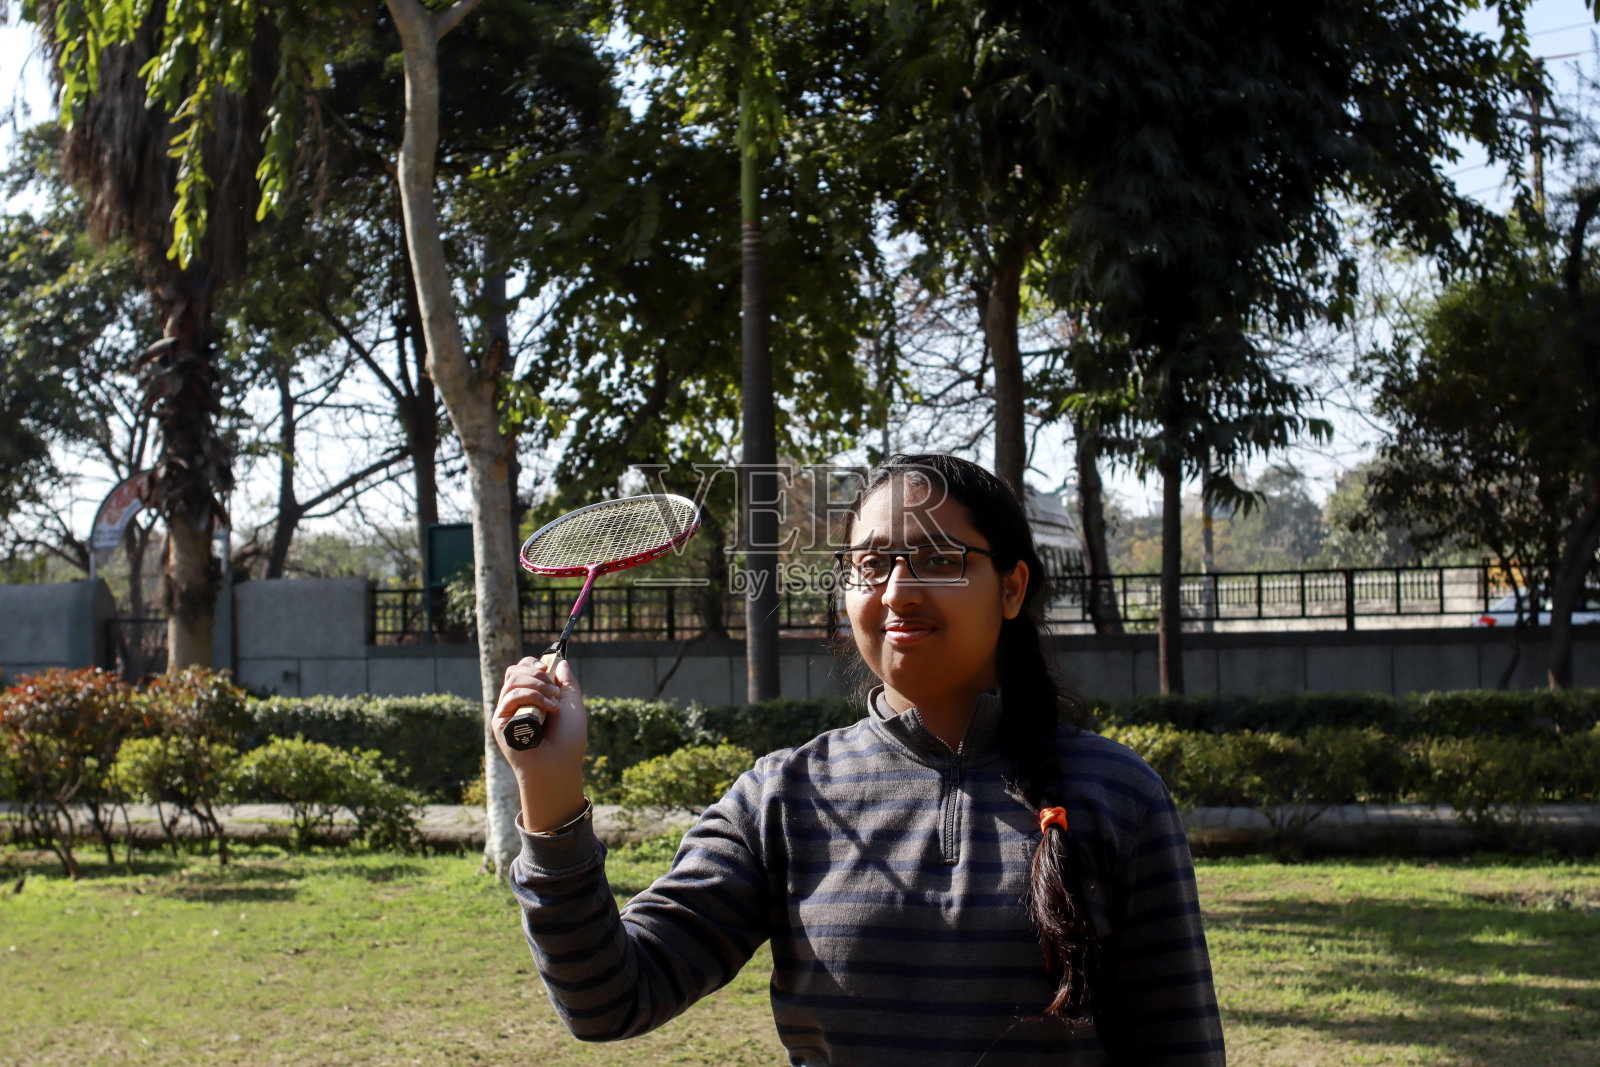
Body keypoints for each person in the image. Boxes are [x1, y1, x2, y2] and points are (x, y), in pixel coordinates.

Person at [494, 453, 1225, 1066]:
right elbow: (608, 996)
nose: (899, 589)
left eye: (940, 559)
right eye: (871, 563)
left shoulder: (1120, 795)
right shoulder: (780, 798)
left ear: (1011, 587)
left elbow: (1179, 1050)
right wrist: (550, 794)